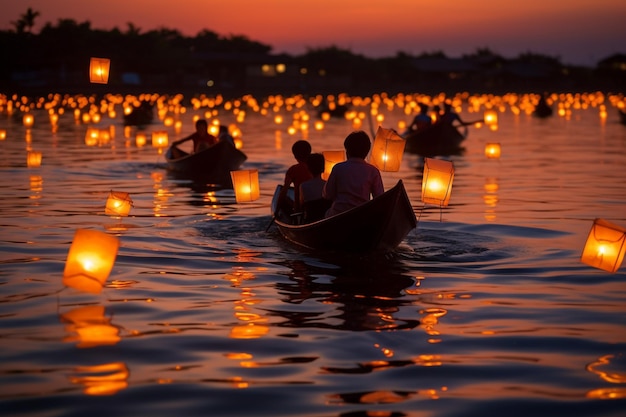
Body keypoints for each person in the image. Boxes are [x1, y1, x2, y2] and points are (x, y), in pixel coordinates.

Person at [323, 131, 384, 217]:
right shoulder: (373, 171)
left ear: (347, 151)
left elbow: (327, 194)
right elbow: (379, 199)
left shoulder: (338, 168)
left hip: (338, 215)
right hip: (362, 215)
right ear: (367, 152)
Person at [277, 140, 313, 216]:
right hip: (317, 207)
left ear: (295, 156)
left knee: (285, 199)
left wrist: (276, 211)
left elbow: (284, 192)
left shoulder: (293, 170)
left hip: (299, 210)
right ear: (310, 153)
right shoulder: (316, 167)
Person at [299, 153, 330, 223]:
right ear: (323, 168)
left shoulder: (303, 186)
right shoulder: (327, 185)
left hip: (310, 219)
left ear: (308, 168)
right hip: (326, 219)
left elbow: (301, 205)